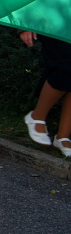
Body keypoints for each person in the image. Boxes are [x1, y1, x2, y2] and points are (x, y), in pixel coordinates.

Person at [20, 27, 71, 158]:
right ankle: (37, 117)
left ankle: (63, 137)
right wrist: (24, 26)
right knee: (66, 66)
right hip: (52, 20)